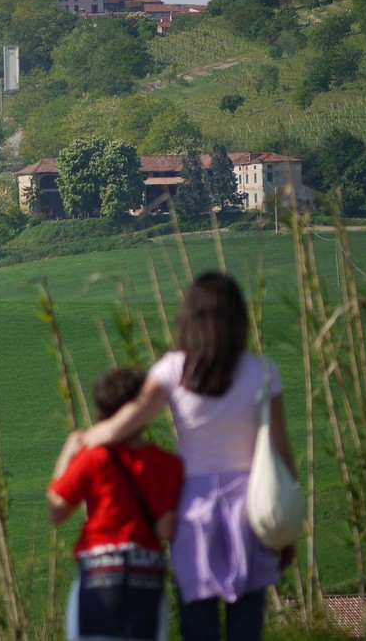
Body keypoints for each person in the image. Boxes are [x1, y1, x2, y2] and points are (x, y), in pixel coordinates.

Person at [83, 273, 297, 641]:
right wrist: (288, 526)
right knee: (246, 629)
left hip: (191, 515)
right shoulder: (263, 374)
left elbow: (122, 426)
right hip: (252, 511)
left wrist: (81, 441)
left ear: (189, 318)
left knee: (198, 628)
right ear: (237, 319)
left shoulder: (171, 371)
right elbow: (281, 453)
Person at [48, 367, 184, 641]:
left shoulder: (93, 459)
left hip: (98, 574)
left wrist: (67, 454)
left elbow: (56, 510)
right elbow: (166, 530)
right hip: (145, 575)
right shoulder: (169, 465)